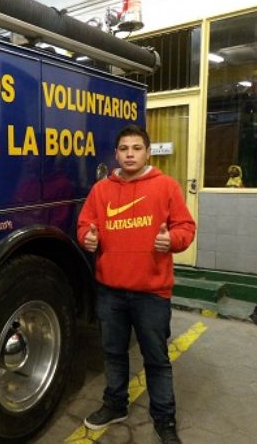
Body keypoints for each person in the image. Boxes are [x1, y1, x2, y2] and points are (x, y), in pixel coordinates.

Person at [76, 124, 196, 444]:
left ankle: (164, 419)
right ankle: (115, 405)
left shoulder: (166, 187)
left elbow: (186, 228)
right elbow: (86, 223)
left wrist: (172, 239)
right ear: (116, 154)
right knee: (113, 353)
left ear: (147, 151)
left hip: (152, 293)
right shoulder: (101, 191)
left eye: (137, 148)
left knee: (156, 359)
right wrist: (87, 237)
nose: (130, 154)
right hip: (110, 290)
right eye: (124, 149)